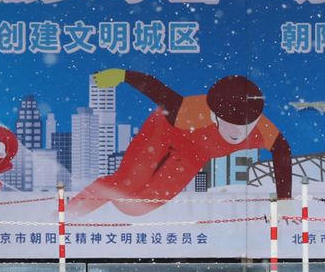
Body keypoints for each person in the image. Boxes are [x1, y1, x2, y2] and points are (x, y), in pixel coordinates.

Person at [69, 68, 293, 216]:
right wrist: (124, 75)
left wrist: (284, 198)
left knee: (136, 207)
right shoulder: (188, 111)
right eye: (229, 125)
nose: (238, 134)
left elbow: (282, 152)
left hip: (194, 153)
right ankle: (67, 214)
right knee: (127, 183)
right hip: (164, 131)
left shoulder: (263, 131)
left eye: (246, 126)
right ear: (214, 116)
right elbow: (157, 89)